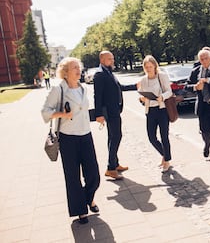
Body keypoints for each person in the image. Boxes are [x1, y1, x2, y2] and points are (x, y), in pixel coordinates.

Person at [41, 57, 100, 224]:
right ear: (65, 72)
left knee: (93, 175)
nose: (78, 70)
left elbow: (84, 111)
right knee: (73, 177)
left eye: (78, 67)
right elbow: (45, 112)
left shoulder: (84, 88)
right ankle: (81, 210)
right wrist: (63, 115)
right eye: (74, 67)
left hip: (86, 135)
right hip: (68, 139)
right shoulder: (58, 90)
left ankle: (88, 198)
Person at [93, 50, 138, 180]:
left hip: (115, 110)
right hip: (109, 111)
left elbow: (119, 87)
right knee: (116, 136)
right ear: (102, 60)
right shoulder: (100, 74)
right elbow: (97, 96)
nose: (112, 61)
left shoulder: (108, 72)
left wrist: (135, 86)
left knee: (112, 137)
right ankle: (110, 168)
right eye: (109, 59)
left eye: (112, 59)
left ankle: (115, 164)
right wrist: (99, 114)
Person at [138, 55, 173, 172]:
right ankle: (165, 155)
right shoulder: (143, 80)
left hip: (162, 109)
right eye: (146, 67)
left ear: (155, 66)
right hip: (150, 111)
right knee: (151, 137)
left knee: (164, 137)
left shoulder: (161, 76)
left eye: (150, 66)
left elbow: (169, 91)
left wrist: (162, 97)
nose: (148, 69)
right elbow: (142, 95)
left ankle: (166, 161)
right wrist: (142, 99)